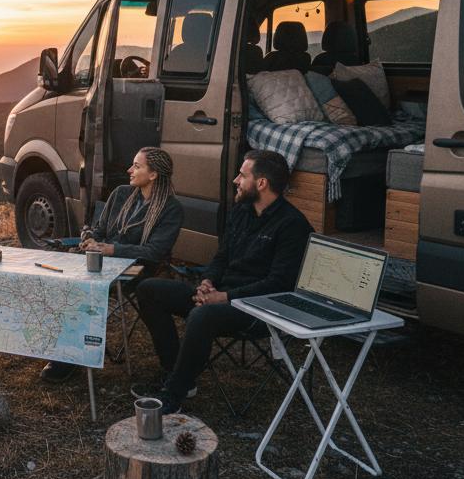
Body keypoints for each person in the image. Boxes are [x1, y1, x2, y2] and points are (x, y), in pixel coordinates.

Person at [132, 149, 313, 412]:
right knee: (149, 289)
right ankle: (177, 373)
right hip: (222, 294)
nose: (235, 181)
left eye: (242, 175)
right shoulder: (241, 211)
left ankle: (173, 393)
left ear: (261, 183)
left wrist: (224, 297)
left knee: (202, 316)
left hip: (259, 308)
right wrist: (208, 282)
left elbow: (278, 284)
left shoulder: (292, 225)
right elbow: (222, 257)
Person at [40, 146, 183, 383]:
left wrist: (112, 249)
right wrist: (90, 238)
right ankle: (66, 352)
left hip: (139, 269)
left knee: (85, 288)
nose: (130, 169)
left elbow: (154, 252)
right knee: (63, 280)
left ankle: (70, 358)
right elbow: (100, 229)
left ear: (154, 174)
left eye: (137, 166)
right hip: (101, 261)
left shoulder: (170, 208)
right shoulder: (121, 194)